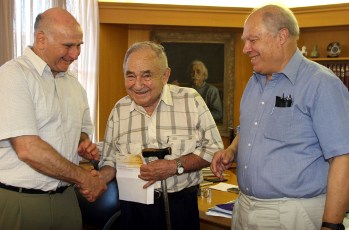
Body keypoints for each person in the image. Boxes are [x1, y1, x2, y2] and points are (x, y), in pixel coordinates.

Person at [211, 4, 349, 230]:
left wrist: (331, 225)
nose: (245, 48)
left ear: (282, 36)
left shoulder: (321, 84)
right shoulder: (254, 82)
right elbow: (249, 128)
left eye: (252, 40)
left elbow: (343, 157)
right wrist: (232, 151)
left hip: (293, 214)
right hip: (244, 207)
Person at [98, 41, 223, 230]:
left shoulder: (191, 101)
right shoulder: (119, 110)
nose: (137, 85)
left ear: (165, 75)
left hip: (179, 207)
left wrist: (175, 166)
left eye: (146, 76)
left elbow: (214, 149)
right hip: (132, 209)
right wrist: (98, 178)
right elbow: (109, 159)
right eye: (130, 76)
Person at [0, 8, 107, 230]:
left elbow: (81, 130)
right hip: (21, 202)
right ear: (41, 40)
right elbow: (28, 149)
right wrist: (84, 178)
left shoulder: (74, 85)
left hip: (67, 201)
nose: (76, 54)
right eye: (68, 45)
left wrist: (82, 142)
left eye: (79, 45)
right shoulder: (12, 76)